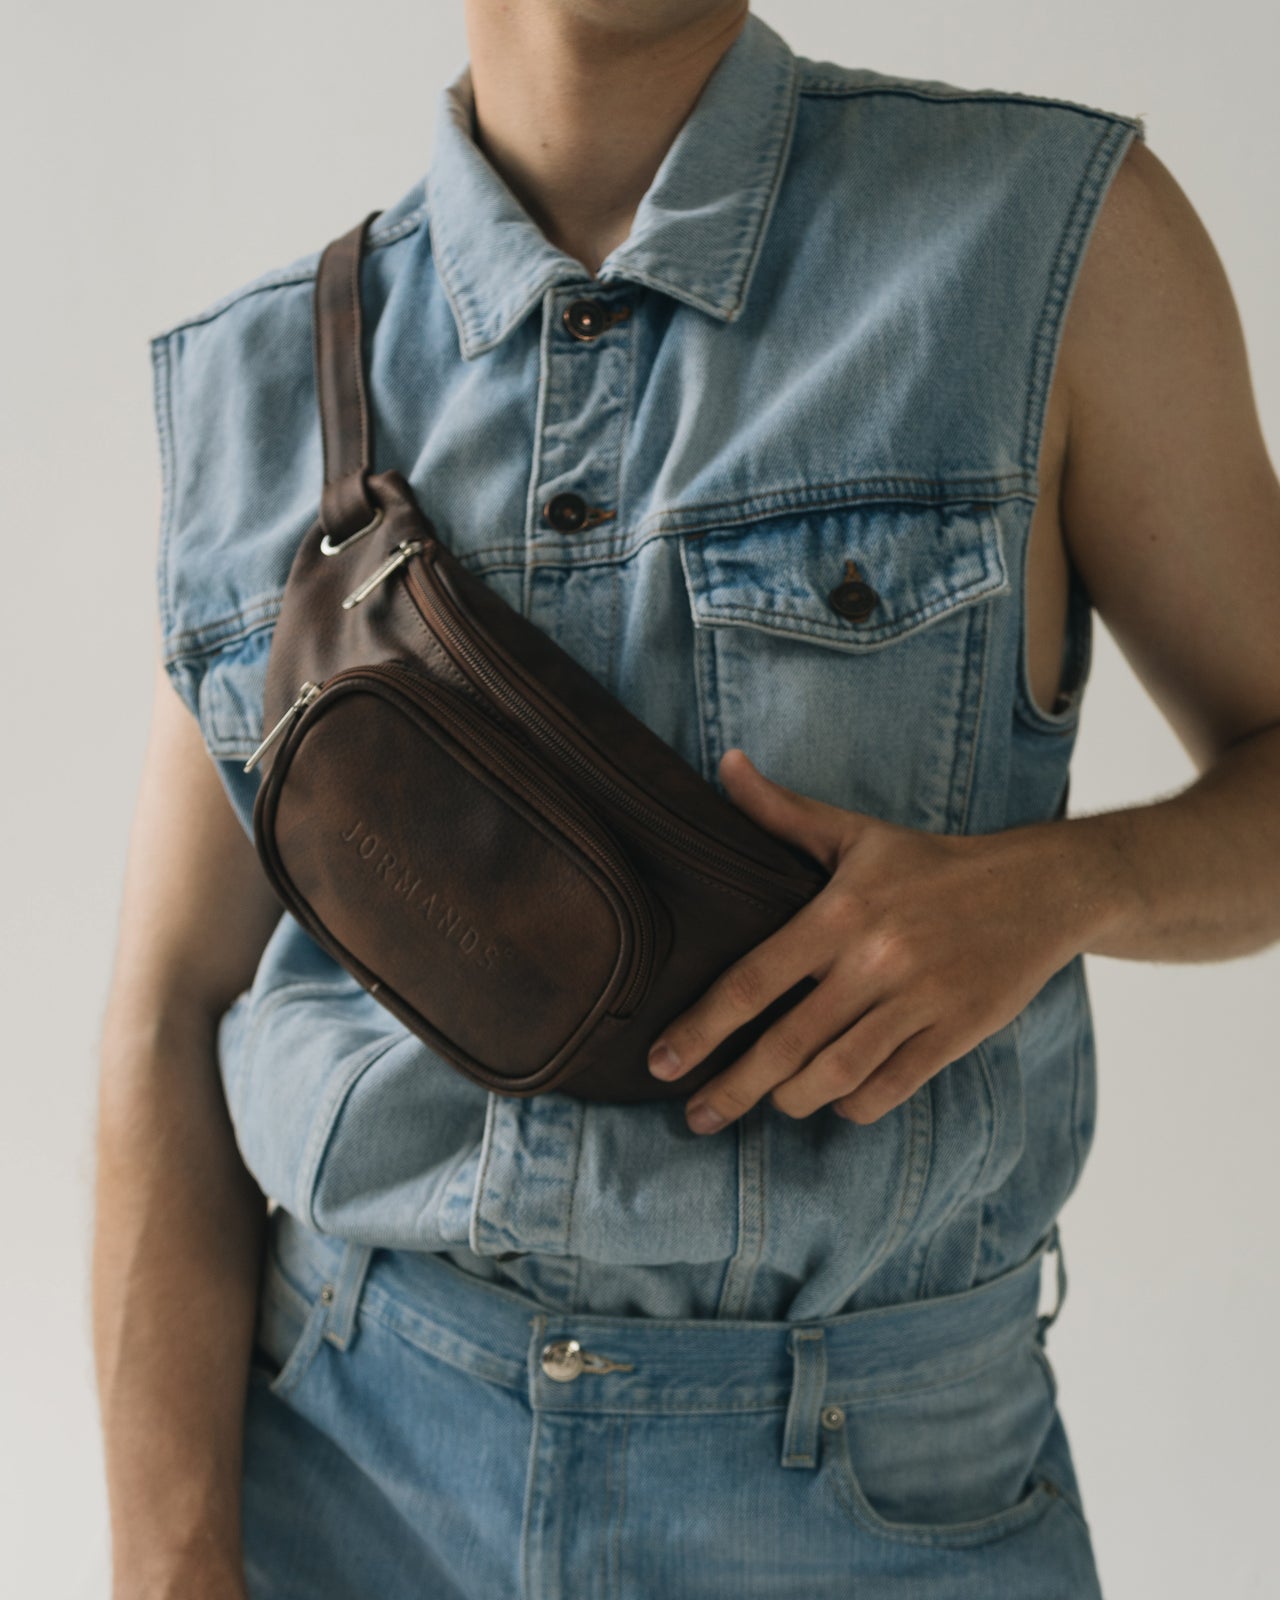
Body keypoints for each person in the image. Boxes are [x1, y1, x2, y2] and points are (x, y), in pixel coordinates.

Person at [92, 3, 1280, 1597]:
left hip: (878, 1506)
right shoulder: (267, 391)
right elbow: (172, 1011)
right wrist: (171, 1560)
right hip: (352, 1489)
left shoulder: (1048, 248)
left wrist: (1062, 888)